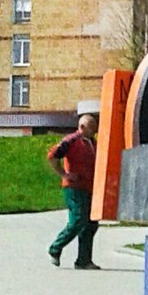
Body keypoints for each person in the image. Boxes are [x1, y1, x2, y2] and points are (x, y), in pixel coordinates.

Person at [47, 114, 100, 269]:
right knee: (78, 219)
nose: (95, 130)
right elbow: (52, 156)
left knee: (91, 223)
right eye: (92, 127)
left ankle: (84, 260)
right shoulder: (71, 141)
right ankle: (55, 248)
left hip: (90, 187)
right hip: (74, 187)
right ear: (82, 127)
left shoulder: (93, 142)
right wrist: (64, 174)